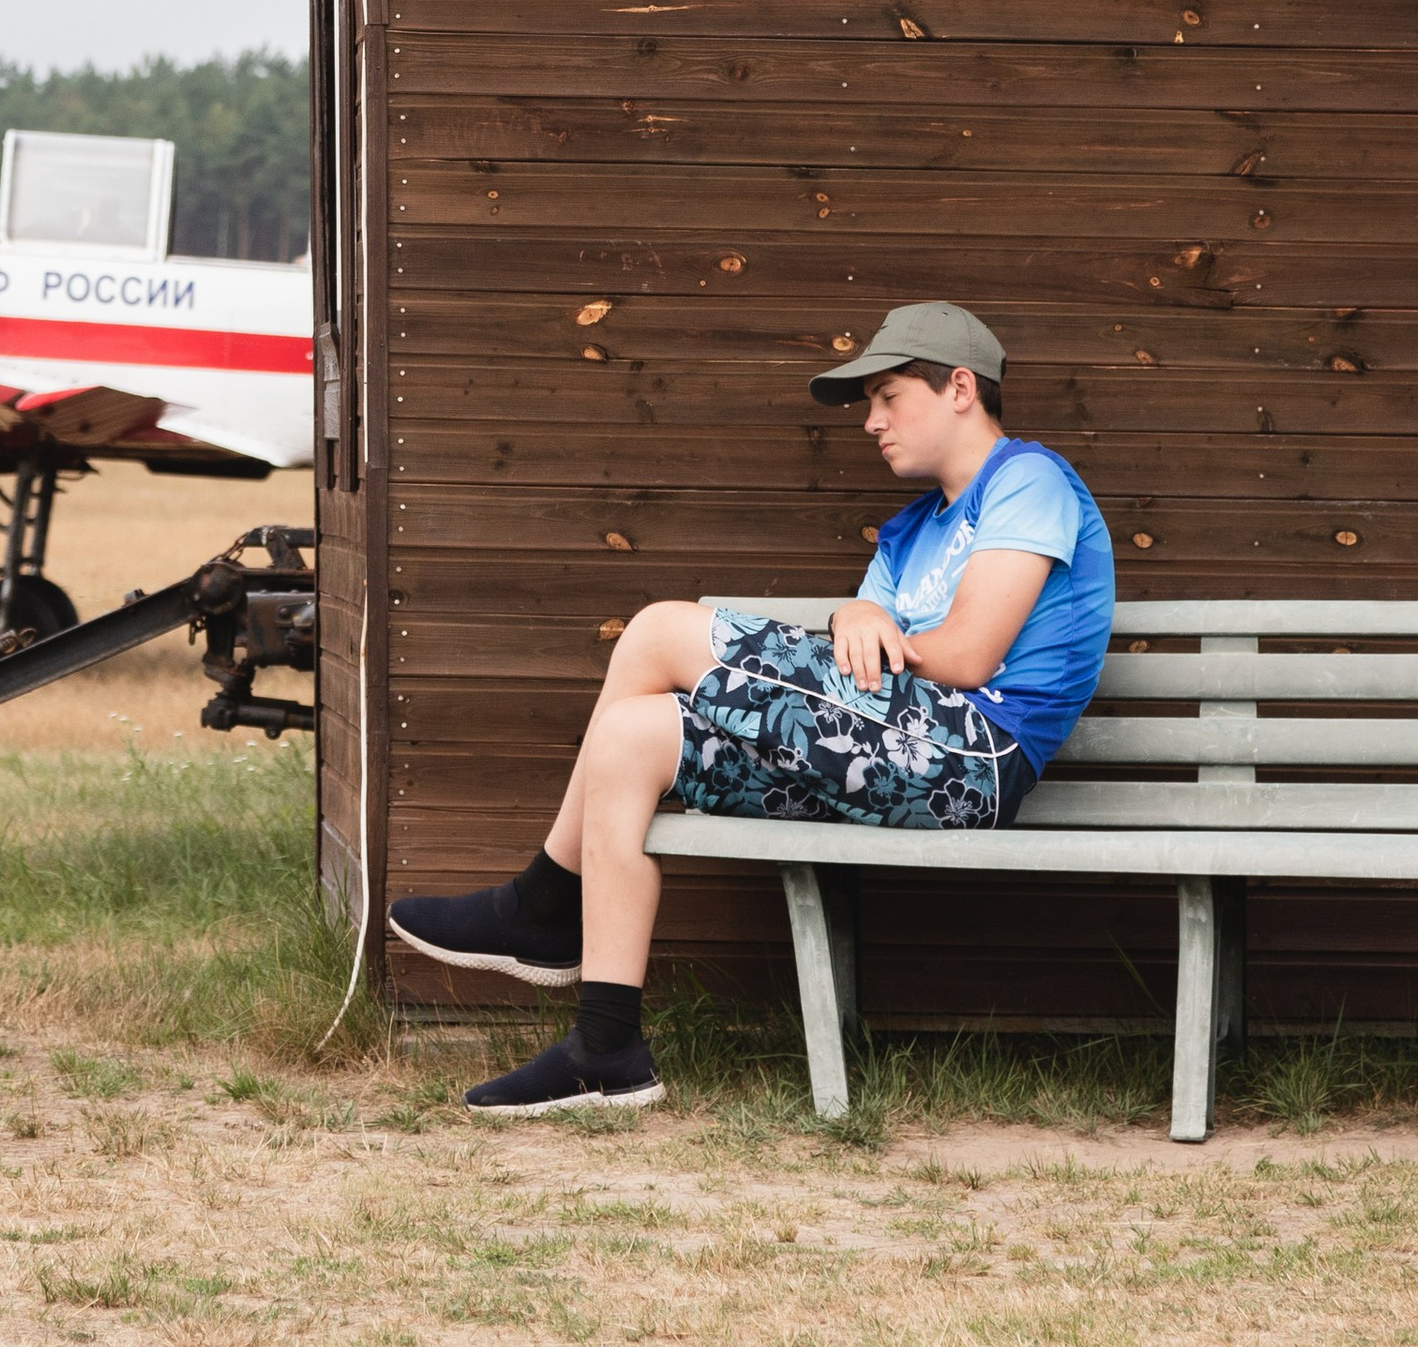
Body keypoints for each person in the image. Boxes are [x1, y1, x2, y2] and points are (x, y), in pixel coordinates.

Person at [388, 301, 1115, 1117]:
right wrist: (854, 615)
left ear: (957, 388)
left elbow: (972, 655)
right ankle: (606, 1047)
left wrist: (864, 622)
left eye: (888, 397)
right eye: (868, 406)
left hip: (976, 758)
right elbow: (858, 668)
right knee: (633, 737)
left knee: (662, 629)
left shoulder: (1026, 479)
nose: (872, 422)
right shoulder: (910, 532)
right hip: (897, 748)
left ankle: (544, 903)